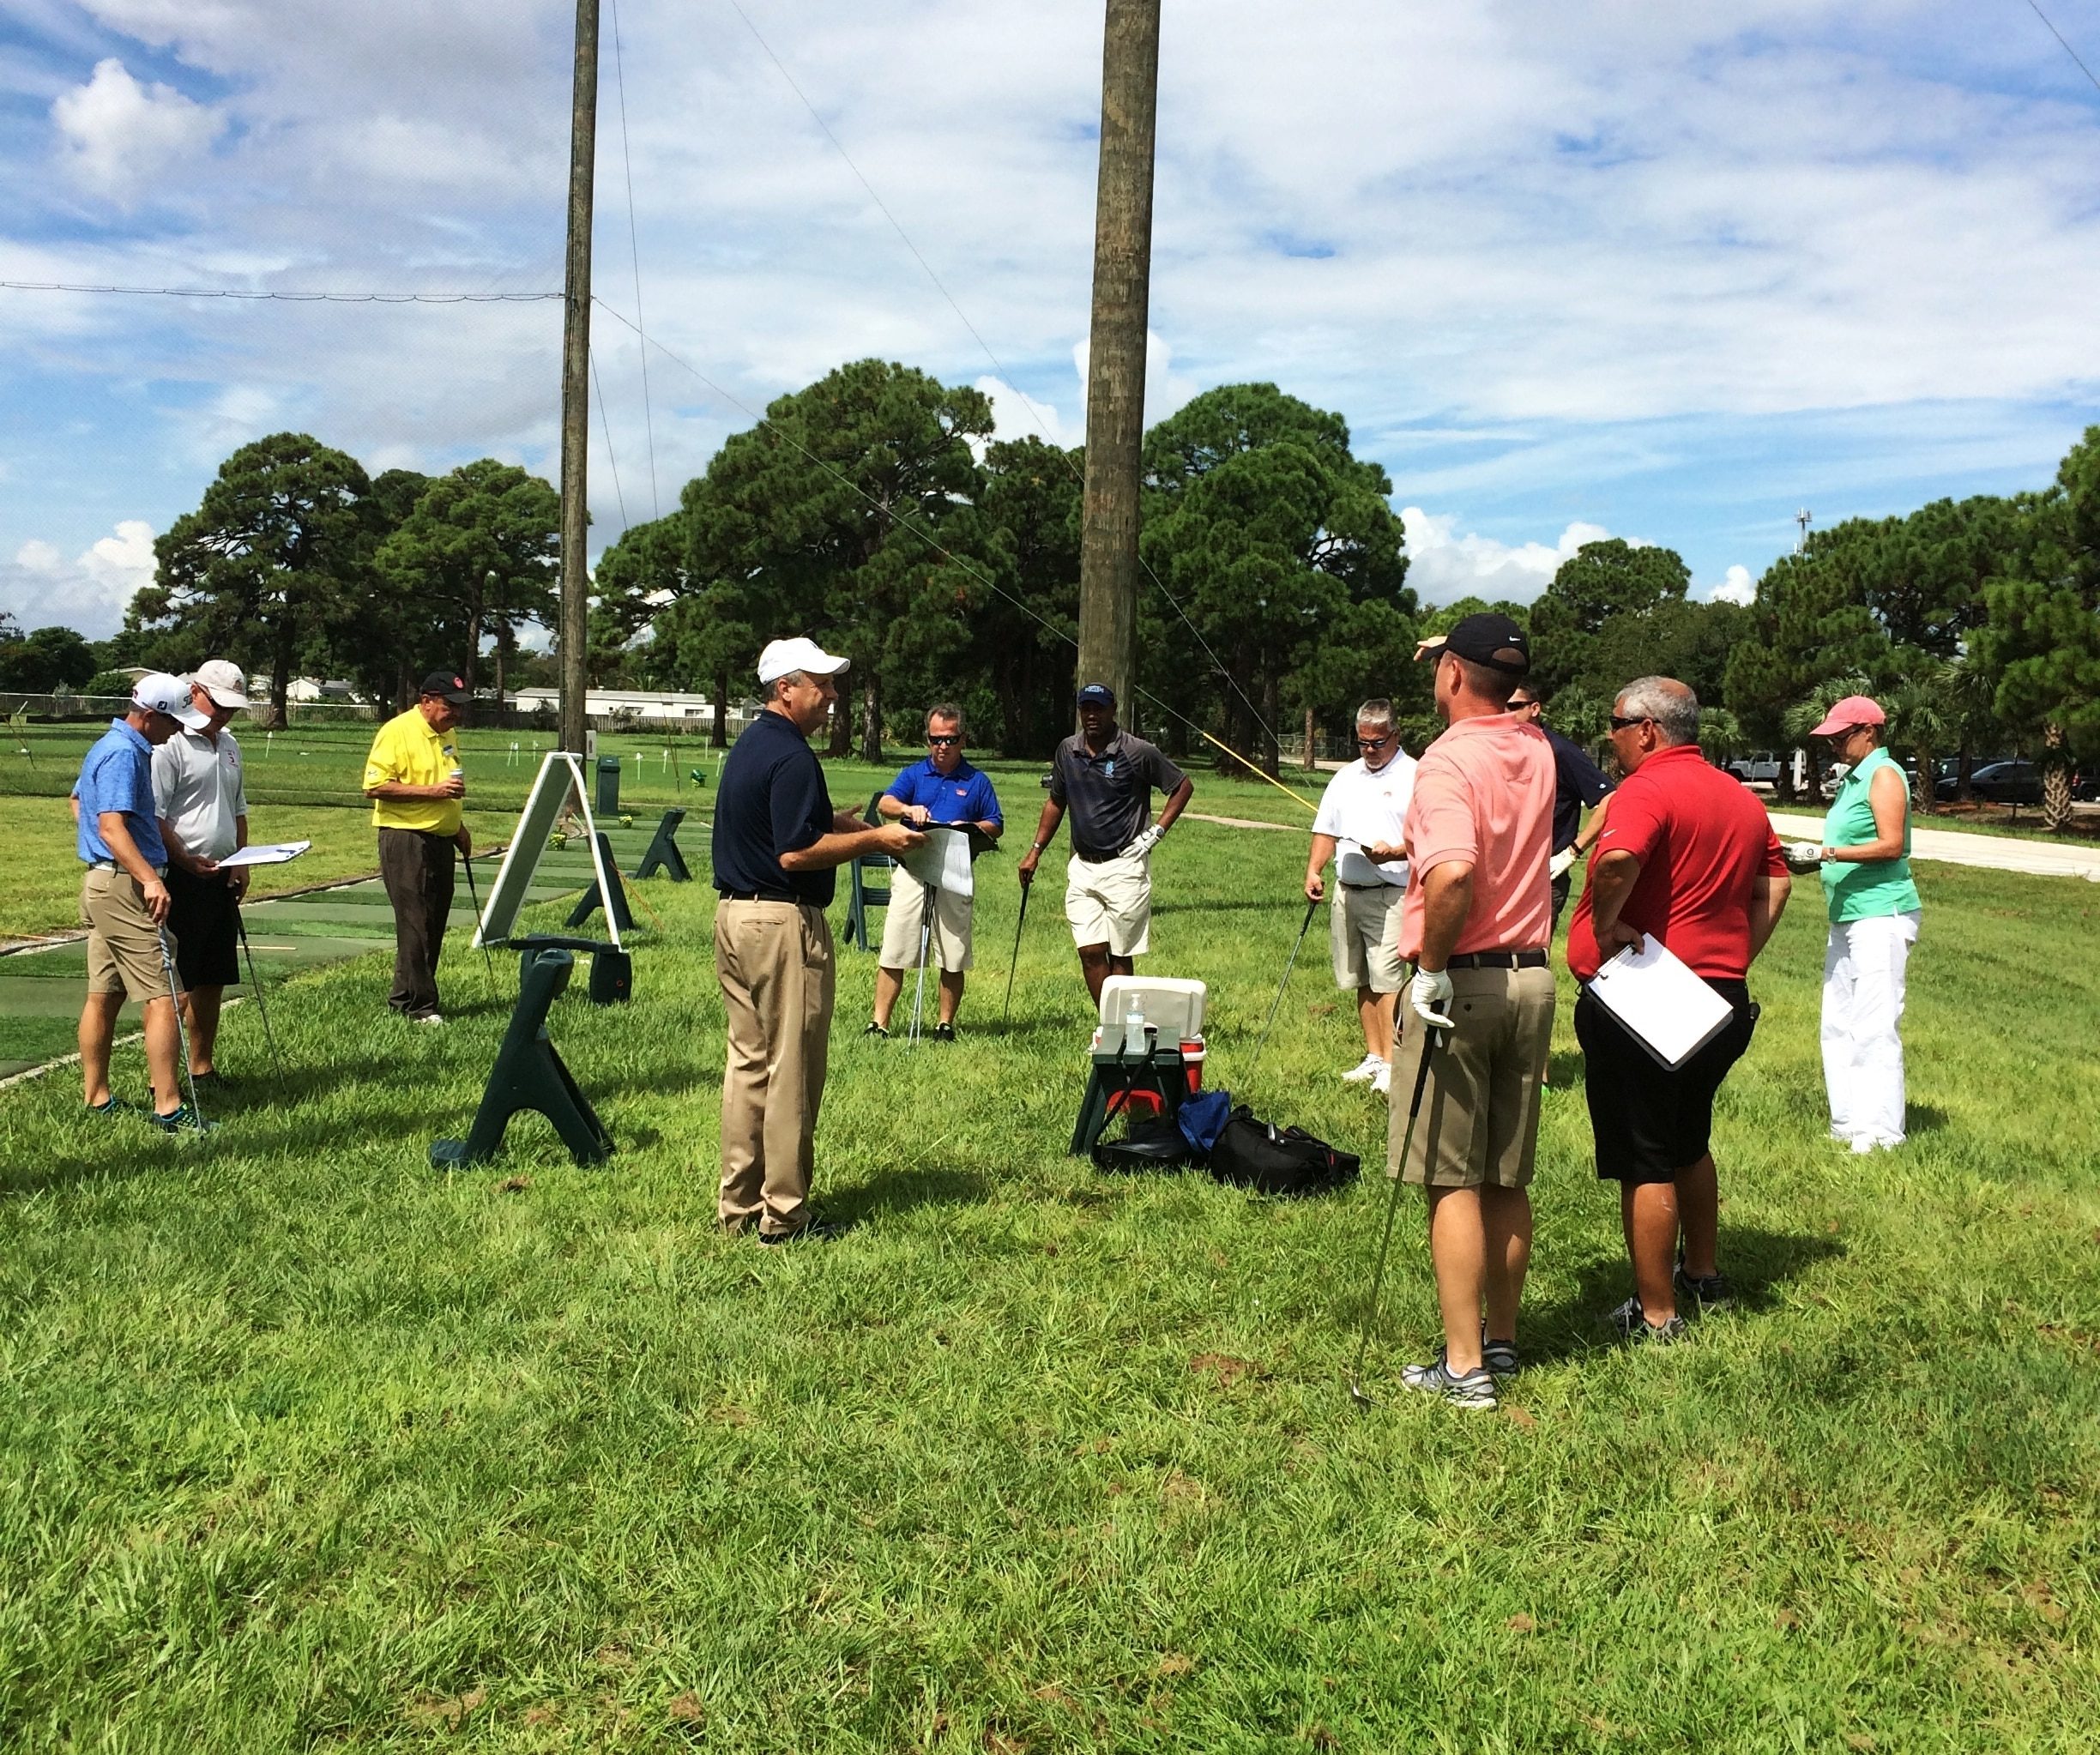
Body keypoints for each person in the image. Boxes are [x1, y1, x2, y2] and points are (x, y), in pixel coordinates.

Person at [1567, 678, 1792, 1343]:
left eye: (1613, 724)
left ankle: (1658, 1314)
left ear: (1646, 729)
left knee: (1646, 1156)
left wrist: (1606, 925)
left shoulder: (1646, 789)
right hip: (1720, 996)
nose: (1608, 738)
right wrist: (1738, 953)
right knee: (1690, 1138)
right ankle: (1703, 1272)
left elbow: (1620, 860)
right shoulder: (1740, 797)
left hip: (1649, 996)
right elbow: (1775, 882)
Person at [1387, 613, 1555, 1412]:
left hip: (1468, 980)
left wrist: (1428, 970)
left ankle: (1464, 1368)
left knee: (1450, 1177)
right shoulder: (1536, 748)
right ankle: (1503, 1341)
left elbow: (1451, 875)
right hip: (1533, 978)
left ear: (1454, 674)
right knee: (1506, 1174)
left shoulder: (1448, 760)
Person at [713, 636, 924, 1242]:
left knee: (748, 1065)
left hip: (734, 918)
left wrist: (846, 824)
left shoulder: (754, 745)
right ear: (786, 689)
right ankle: (784, 1216)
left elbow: (787, 819)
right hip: (781, 923)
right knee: (793, 1070)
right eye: (821, 684)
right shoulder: (794, 757)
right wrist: (875, 840)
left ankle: (739, 1207)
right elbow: (796, 850)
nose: (831, 696)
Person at [74, 673, 211, 1130]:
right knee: (167, 996)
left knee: (105, 992)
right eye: (173, 721)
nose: (178, 730)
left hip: (104, 882)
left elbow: (79, 803)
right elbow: (112, 826)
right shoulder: (123, 754)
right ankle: (169, 1108)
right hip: (123, 888)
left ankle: (96, 1097)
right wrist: (149, 878)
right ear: (149, 715)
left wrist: (98, 844)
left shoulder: (112, 746)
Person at [1793, 695, 1921, 1153]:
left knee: (1874, 1023)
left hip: (1880, 914)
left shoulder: (1884, 775)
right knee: (1838, 1021)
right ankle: (1847, 1121)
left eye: (1841, 737)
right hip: (1847, 913)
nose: (1834, 745)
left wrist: (1825, 853)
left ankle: (1882, 1132)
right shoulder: (1853, 779)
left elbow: (1891, 846)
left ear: (1869, 731)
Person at [1017, 683, 1194, 1008]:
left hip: (1125, 863)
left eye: (1099, 708)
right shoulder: (1067, 751)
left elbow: (1182, 786)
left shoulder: (1137, 751)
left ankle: (1120, 1029)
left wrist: (1156, 832)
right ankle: (1110, 1023)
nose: (1092, 715)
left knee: (1120, 954)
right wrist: (1035, 850)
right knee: (1089, 951)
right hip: (1083, 866)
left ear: (1114, 710)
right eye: (1086, 708)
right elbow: (1056, 801)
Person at [866, 703, 1004, 1040]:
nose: (942, 746)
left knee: (953, 951)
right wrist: (907, 807)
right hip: (913, 867)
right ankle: (879, 1023)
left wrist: (968, 825)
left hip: (955, 871)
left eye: (951, 739)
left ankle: (945, 1024)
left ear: (963, 740)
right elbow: (885, 804)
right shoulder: (914, 774)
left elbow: (996, 824)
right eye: (935, 739)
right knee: (896, 946)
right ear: (927, 739)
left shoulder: (977, 781)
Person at [1304, 698, 1416, 1095]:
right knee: (1361, 979)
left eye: (1377, 743)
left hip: (1391, 895)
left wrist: (1394, 851)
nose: (1369, 751)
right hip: (1347, 892)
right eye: (1362, 743)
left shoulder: (1415, 775)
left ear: (1395, 736)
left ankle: (1392, 1061)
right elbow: (1325, 829)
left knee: (1388, 981)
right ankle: (1373, 1055)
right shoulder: (1346, 778)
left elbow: (1427, 838)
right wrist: (1314, 870)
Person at [152, 661, 252, 1086]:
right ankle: (165, 1078)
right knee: (178, 981)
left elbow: (238, 807)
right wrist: (186, 860)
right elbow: (156, 816)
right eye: (218, 704)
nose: (224, 714)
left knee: (213, 977)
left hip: (222, 875)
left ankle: (201, 1067)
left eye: (232, 707)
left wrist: (242, 860)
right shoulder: (169, 744)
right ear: (195, 691)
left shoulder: (229, 744)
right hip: (179, 876)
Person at [363, 671, 472, 1023]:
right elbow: (375, 786)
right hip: (407, 838)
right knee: (416, 923)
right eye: (448, 706)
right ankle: (422, 1007)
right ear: (426, 702)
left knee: (433, 920)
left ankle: (404, 998)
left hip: (440, 838)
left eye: (458, 707)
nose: (455, 713)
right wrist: (434, 793)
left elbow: (446, 787)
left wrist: (457, 826)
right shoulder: (397, 732)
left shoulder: (447, 734)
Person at [1506, 683, 1614, 933]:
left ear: (1535, 708)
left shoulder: (1560, 751)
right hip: (1506, 873)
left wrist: (1572, 852)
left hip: (1544, 876)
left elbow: (1609, 799)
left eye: (1514, 706)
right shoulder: (1505, 748)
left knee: (1530, 961)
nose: (1506, 712)